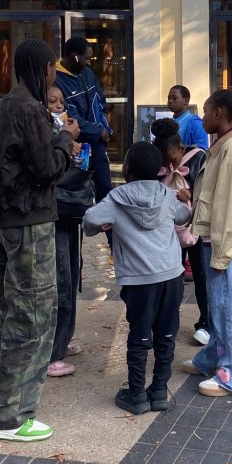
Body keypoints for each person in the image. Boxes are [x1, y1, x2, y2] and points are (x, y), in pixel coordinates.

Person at [0, 39, 79, 442]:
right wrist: (65, 139)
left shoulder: (1, 106)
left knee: (13, 307)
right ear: (43, 68)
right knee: (34, 315)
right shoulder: (30, 110)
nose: (54, 76)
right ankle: (8, 415)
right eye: (52, 68)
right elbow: (48, 169)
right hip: (30, 223)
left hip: (6, 222)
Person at [83, 142, 189, 414]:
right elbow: (183, 216)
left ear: (127, 170)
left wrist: (102, 225)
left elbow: (90, 219)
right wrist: (183, 200)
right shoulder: (166, 193)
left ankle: (136, 394)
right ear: (158, 170)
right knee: (167, 333)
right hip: (171, 274)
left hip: (139, 280)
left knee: (139, 336)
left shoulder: (117, 198)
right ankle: (159, 391)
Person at [183, 89, 232, 397]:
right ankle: (214, 355)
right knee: (218, 303)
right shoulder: (221, 147)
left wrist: (223, 253)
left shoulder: (230, 149)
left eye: (204, 110)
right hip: (212, 237)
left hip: (221, 241)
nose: (201, 117)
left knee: (228, 305)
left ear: (218, 113)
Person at [151, 116, 210, 345]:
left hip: (195, 227)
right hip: (170, 231)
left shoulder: (198, 158)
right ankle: (168, 323)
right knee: (172, 279)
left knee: (202, 275)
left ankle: (206, 323)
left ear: (181, 149)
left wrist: (191, 194)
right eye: (166, 161)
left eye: (173, 158)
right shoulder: (158, 164)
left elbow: (210, 190)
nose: (171, 165)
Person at [46, 84, 90, 377]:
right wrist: (64, 141)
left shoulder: (64, 127)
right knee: (61, 277)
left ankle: (64, 338)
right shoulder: (43, 128)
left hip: (70, 211)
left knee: (72, 274)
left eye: (61, 101)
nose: (59, 106)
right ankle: (53, 353)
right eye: (53, 101)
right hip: (55, 212)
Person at [54, 37, 112, 205]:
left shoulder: (87, 73)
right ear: (75, 56)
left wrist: (104, 127)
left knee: (105, 190)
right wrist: (98, 130)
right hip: (75, 146)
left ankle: (107, 222)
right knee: (75, 194)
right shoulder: (56, 80)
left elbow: (100, 101)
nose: (89, 62)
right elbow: (68, 116)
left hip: (97, 143)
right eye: (86, 58)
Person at [167, 84, 209, 149]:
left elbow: (201, 149)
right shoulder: (168, 123)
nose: (170, 101)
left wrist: (181, 149)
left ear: (186, 101)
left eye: (174, 98)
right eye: (169, 98)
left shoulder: (197, 124)